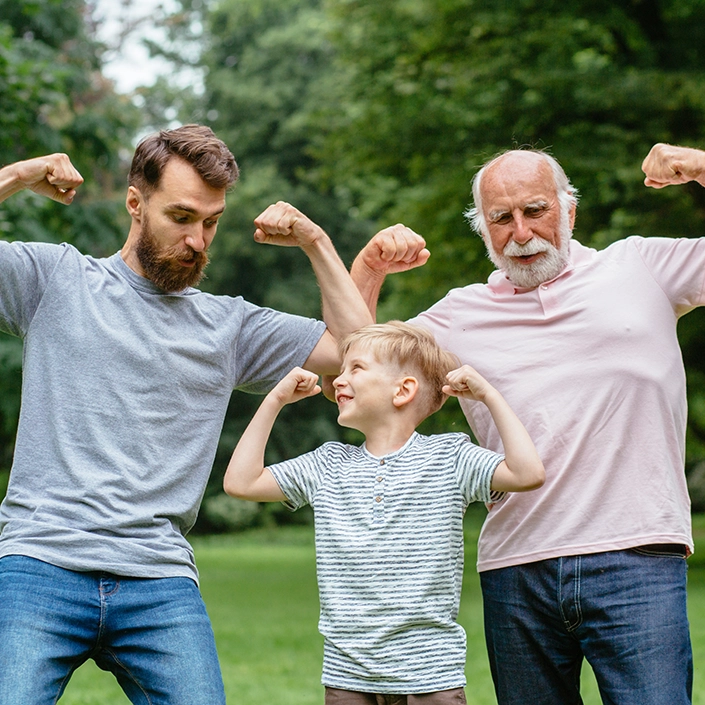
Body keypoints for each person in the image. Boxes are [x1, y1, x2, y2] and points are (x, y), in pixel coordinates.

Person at [0, 124, 373, 705]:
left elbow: (363, 353)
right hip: (41, 562)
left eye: (212, 222)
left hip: (159, 578)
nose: (198, 240)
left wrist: (315, 242)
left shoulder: (231, 326)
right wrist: (20, 175)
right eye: (181, 217)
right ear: (134, 203)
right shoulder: (55, 280)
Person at [349, 143, 705, 705]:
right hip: (517, 570)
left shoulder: (642, 267)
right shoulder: (458, 314)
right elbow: (354, 372)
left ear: (569, 211)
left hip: (637, 557)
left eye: (535, 210)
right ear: (483, 230)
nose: (520, 232)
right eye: (500, 218)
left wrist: (703, 167)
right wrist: (367, 272)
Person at [224, 320, 544, 705]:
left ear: (403, 390)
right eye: (341, 370)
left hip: (429, 677)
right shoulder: (328, 465)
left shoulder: (449, 458)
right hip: (348, 675)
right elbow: (240, 483)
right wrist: (273, 400)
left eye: (355, 368)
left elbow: (527, 473)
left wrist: (489, 395)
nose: (338, 380)